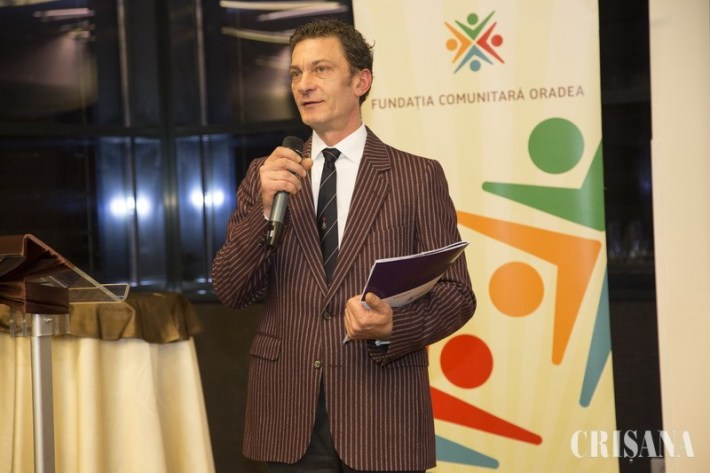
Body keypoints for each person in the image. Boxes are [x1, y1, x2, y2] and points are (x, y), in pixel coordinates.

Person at [211, 18, 476, 473]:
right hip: (288, 416)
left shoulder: (416, 176)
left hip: (382, 414)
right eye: (296, 73)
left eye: (321, 69)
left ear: (360, 81)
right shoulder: (268, 174)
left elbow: (457, 295)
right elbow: (231, 288)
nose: (304, 84)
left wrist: (392, 326)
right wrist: (264, 209)